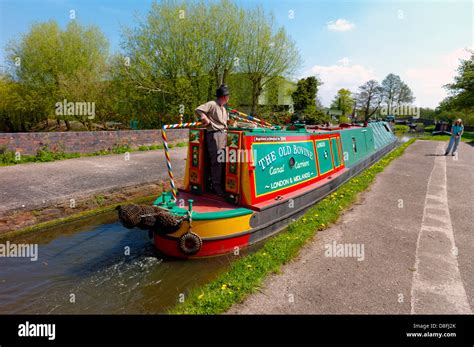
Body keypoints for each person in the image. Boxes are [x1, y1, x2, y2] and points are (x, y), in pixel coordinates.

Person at [195, 84, 230, 196]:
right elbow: (198, 110)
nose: (228, 98)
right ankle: (216, 187)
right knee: (217, 162)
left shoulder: (224, 109)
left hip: (223, 134)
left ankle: (220, 184)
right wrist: (204, 118)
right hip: (214, 135)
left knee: (222, 161)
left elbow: (224, 122)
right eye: (228, 96)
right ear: (224, 96)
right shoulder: (212, 104)